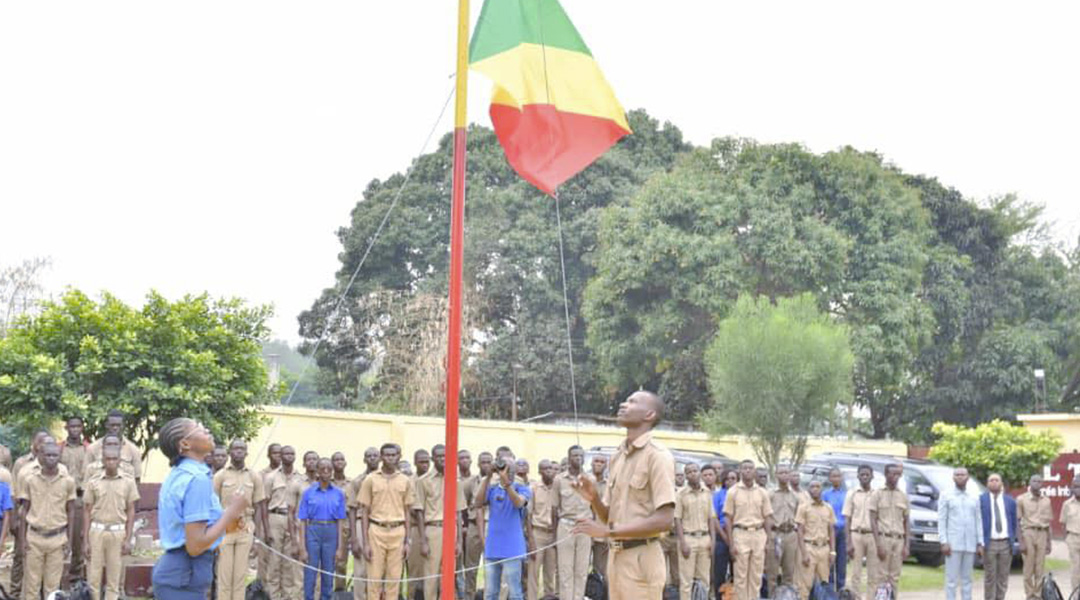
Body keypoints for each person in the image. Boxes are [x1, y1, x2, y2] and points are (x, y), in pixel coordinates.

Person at [572, 390, 677, 600]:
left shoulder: (658, 456)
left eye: (632, 402)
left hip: (642, 557)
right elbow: (610, 516)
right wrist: (594, 499)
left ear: (649, 415)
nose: (622, 404)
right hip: (617, 557)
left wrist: (606, 532)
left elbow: (665, 520)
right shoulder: (618, 456)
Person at [151, 418, 247, 599]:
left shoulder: (181, 474)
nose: (207, 430)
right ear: (185, 444)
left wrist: (230, 521)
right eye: (200, 429)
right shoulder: (197, 479)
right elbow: (195, 546)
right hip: (183, 576)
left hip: (180, 574)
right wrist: (231, 513)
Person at [18, 440, 76, 600]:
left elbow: (71, 511)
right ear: (41, 456)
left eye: (55, 455)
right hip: (34, 539)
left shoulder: (68, 482)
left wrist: (69, 541)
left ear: (60, 456)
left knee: (52, 588)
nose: (51, 458)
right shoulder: (30, 480)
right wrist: (22, 540)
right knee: (32, 587)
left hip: (57, 539)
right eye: (48, 455)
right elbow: (23, 511)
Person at [82, 445, 139, 600]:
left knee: (114, 577)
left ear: (119, 461)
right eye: (108, 459)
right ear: (103, 461)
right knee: (93, 577)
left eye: (114, 459)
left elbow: (131, 510)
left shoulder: (128, 482)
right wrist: (86, 540)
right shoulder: (93, 482)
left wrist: (128, 538)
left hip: (117, 532)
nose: (111, 462)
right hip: (97, 531)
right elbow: (87, 510)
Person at [358, 442, 414, 600]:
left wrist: (407, 541)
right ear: (381, 457)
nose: (390, 458)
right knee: (374, 578)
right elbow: (364, 511)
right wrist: (366, 543)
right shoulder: (370, 479)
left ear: (399, 457)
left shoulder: (405, 481)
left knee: (394, 578)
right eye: (387, 455)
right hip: (376, 530)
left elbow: (408, 512)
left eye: (393, 455)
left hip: (398, 531)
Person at [213, 439, 267, 600]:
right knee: (225, 574)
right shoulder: (220, 476)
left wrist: (257, 536)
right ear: (229, 452)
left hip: (246, 526)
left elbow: (258, 507)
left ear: (246, 453)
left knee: (239, 575)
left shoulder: (254, 476)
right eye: (235, 449)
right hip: (226, 527)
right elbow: (213, 506)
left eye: (242, 449)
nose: (238, 451)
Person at [476, 448, 531, 600]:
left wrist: (507, 485)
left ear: (514, 471)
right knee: (490, 592)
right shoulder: (492, 488)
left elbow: (519, 503)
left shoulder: (522, 487)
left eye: (509, 469)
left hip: (513, 548)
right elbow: (478, 503)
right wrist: (487, 477)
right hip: (493, 546)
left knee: (514, 592)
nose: (506, 472)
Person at [415, 444, 465, 600]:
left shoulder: (455, 481)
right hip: (433, 529)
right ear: (433, 458)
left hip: (451, 530)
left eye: (445, 456)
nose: (443, 459)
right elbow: (419, 512)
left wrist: (459, 541)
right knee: (431, 573)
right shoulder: (424, 481)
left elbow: (458, 512)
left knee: (449, 573)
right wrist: (423, 540)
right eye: (439, 456)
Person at [721, 459, 773, 600]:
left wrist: (768, 540)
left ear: (754, 471)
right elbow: (728, 518)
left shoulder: (762, 492)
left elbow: (767, 517)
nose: (748, 470)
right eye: (745, 468)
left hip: (758, 534)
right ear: (740, 471)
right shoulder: (733, 492)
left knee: (756, 576)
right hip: (740, 534)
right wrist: (731, 544)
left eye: (750, 468)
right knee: (740, 576)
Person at [297, 457, 347, 600]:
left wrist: (340, 547)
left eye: (329, 469)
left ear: (332, 472)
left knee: (328, 572)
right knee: (310, 572)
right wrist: (302, 547)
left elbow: (340, 521)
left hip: (331, 532)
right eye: (322, 469)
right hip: (313, 530)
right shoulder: (308, 492)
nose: (326, 471)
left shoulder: (338, 493)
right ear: (317, 471)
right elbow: (302, 521)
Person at [553, 445, 593, 600]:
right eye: (575, 455)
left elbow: (595, 507)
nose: (578, 458)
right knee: (565, 570)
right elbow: (554, 508)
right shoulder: (559, 480)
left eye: (581, 456)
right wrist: (555, 532)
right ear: (569, 458)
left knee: (582, 570)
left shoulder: (590, 479)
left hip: (585, 527)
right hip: (566, 526)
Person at [266, 445, 306, 600]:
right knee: (274, 560)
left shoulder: (300, 478)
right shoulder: (271, 477)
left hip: (293, 519)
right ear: (280, 457)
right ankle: (274, 595)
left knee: (290, 560)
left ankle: (288, 596)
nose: (289, 456)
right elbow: (264, 503)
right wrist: (265, 528)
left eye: (292, 453)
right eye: (286, 453)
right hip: (275, 517)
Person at [938, 467, 983, 600]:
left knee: (967, 579)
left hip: (970, 543)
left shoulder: (974, 495)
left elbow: (978, 520)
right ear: (953, 477)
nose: (960, 477)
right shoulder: (946, 495)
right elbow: (942, 519)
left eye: (963, 474)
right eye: (957, 474)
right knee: (951, 580)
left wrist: (980, 542)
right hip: (953, 543)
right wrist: (944, 541)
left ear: (968, 477)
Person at [675, 462, 715, 600]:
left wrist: (713, 541)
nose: (693, 473)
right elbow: (677, 520)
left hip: (705, 539)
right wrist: (682, 543)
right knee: (686, 581)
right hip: (688, 539)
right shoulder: (681, 494)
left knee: (704, 580)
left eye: (695, 470)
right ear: (686, 475)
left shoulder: (707, 493)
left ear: (699, 472)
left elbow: (711, 518)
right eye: (689, 471)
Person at [59, 415, 91, 582]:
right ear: (67, 428)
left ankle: (76, 576)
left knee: (78, 537)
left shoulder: (88, 449)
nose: (75, 430)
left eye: (78, 426)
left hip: (79, 498)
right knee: (59, 534)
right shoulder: (59, 448)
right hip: (60, 499)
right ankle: (57, 575)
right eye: (72, 426)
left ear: (82, 428)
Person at [348, 446, 381, 600]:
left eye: (375, 455)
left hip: (380, 524)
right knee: (361, 569)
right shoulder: (357, 481)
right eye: (369, 456)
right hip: (362, 524)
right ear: (364, 459)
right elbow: (353, 510)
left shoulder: (386, 479)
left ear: (380, 458)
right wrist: (354, 538)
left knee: (379, 567)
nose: (372, 458)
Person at [870, 463, 909, 592]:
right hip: (883, 538)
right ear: (886, 474)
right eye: (893, 474)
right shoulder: (877, 494)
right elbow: (873, 520)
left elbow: (906, 521)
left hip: (898, 539)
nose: (896, 477)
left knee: (894, 577)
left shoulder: (903, 496)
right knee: (881, 576)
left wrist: (906, 545)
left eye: (898, 474)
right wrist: (878, 544)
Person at [795, 480, 836, 600]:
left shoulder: (828, 508)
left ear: (822, 489)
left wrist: (833, 551)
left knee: (824, 584)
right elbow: (799, 531)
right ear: (808, 490)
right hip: (809, 547)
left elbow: (831, 530)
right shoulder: (803, 507)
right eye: (812, 486)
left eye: (818, 486)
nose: (815, 489)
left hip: (824, 548)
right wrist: (803, 553)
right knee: (805, 585)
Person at [981, 472, 1018, 600]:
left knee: (1003, 577)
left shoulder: (1010, 501)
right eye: (991, 480)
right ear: (987, 484)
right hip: (989, 543)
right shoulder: (982, 500)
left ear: (1001, 483)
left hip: (1005, 544)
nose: (994, 482)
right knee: (990, 577)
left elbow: (1014, 523)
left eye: (997, 480)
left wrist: (1012, 541)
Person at [843, 465, 877, 600]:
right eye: (862, 474)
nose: (864, 477)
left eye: (867, 474)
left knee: (873, 573)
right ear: (857, 476)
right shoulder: (852, 494)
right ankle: (856, 597)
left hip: (872, 536)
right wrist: (848, 542)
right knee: (855, 573)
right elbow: (847, 518)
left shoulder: (877, 494)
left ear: (872, 476)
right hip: (856, 534)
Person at [463, 450, 493, 599]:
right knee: (471, 567)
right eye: (483, 462)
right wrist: (466, 525)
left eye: (489, 462)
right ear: (478, 464)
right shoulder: (471, 482)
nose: (486, 465)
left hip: (492, 527)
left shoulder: (497, 482)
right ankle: (469, 595)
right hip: (474, 526)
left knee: (492, 566)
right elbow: (464, 505)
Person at [765, 465, 800, 595]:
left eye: (786, 472)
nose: (784, 475)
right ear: (776, 475)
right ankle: (772, 596)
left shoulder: (795, 496)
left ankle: (787, 596)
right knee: (772, 573)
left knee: (789, 572)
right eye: (781, 472)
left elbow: (798, 515)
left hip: (790, 535)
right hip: (775, 534)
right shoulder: (770, 494)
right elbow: (766, 516)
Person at [1017, 474, 1053, 600]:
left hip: (1042, 532)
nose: (1037, 483)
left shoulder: (1046, 500)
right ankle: (1029, 595)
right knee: (1028, 566)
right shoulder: (1021, 499)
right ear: (1029, 482)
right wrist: (1020, 541)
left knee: (1040, 566)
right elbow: (1017, 521)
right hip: (1028, 533)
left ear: (1042, 484)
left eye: (1039, 481)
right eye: (1034, 481)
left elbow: (1049, 522)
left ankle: (1037, 595)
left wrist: (1049, 541)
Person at [526, 459, 557, 600]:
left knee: (550, 574)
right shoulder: (533, 489)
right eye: (545, 468)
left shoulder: (558, 488)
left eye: (551, 468)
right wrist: (531, 540)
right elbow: (528, 515)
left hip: (553, 534)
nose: (549, 471)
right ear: (540, 472)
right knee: (533, 573)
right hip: (537, 533)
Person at [87, 409, 143, 483]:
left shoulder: (134, 450)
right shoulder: (93, 449)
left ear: (123, 426)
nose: (115, 428)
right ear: (106, 425)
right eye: (112, 425)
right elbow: (87, 479)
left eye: (118, 425)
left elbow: (136, 480)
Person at [407, 448, 431, 599]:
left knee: (431, 571)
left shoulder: (434, 480)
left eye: (427, 462)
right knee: (414, 570)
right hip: (415, 528)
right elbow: (410, 506)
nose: (425, 465)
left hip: (432, 527)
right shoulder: (409, 482)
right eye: (421, 462)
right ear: (415, 462)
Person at [256, 442, 282, 584]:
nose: (278, 456)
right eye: (275, 453)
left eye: (280, 453)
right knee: (263, 558)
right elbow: (259, 503)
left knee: (279, 560)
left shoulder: (287, 474)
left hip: (282, 521)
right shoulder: (260, 475)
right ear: (268, 455)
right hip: (264, 517)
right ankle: (261, 591)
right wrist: (258, 527)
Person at [820, 467, 846, 593]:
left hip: (842, 532)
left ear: (841, 478)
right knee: (829, 564)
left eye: (838, 476)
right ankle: (829, 594)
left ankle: (841, 592)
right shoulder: (825, 495)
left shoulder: (846, 494)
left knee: (841, 565)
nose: (836, 478)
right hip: (830, 532)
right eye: (834, 476)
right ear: (830, 479)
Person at [330, 451, 351, 592]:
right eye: (336, 459)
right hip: (329, 524)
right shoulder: (325, 482)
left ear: (345, 463)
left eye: (341, 459)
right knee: (327, 561)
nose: (339, 462)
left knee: (342, 562)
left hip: (345, 523)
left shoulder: (351, 483)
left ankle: (340, 591)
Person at [712, 468, 734, 597]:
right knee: (719, 572)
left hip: (737, 536)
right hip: (721, 536)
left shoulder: (740, 494)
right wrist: (725, 537)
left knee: (736, 572)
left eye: (733, 478)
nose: (730, 481)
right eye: (727, 478)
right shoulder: (718, 495)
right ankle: (719, 597)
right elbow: (714, 518)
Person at [589, 453, 609, 578]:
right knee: (580, 570)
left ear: (606, 465)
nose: (598, 464)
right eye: (596, 461)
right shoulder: (584, 482)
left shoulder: (610, 485)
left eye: (602, 462)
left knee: (601, 572)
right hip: (584, 533)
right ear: (591, 464)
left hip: (602, 535)